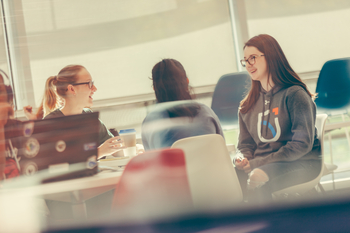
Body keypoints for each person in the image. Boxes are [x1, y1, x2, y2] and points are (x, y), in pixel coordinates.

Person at [234, 34, 321, 202]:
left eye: (253, 58)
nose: (248, 65)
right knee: (228, 179)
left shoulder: (295, 95)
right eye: (245, 60)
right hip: (264, 164)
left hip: (302, 162)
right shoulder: (247, 106)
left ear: (271, 56)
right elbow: (245, 145)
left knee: (257, 178)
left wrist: (258, 163)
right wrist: (241, 159)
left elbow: (301, 146)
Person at [24, 65, 124, 159]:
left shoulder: (89, 116)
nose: (94, 89)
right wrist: (99, 152)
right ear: (72, 89)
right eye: (89, 83)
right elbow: (62, 162)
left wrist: (130, 147)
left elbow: (114, 148)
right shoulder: (50, 123)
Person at [142, 58, 224, 150]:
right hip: (212, 164)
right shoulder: (207, 112)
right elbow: (222, 148)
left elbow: (152, 161)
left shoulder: (150, 122)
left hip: (174, 165)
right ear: (187, 81)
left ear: (154, 88)